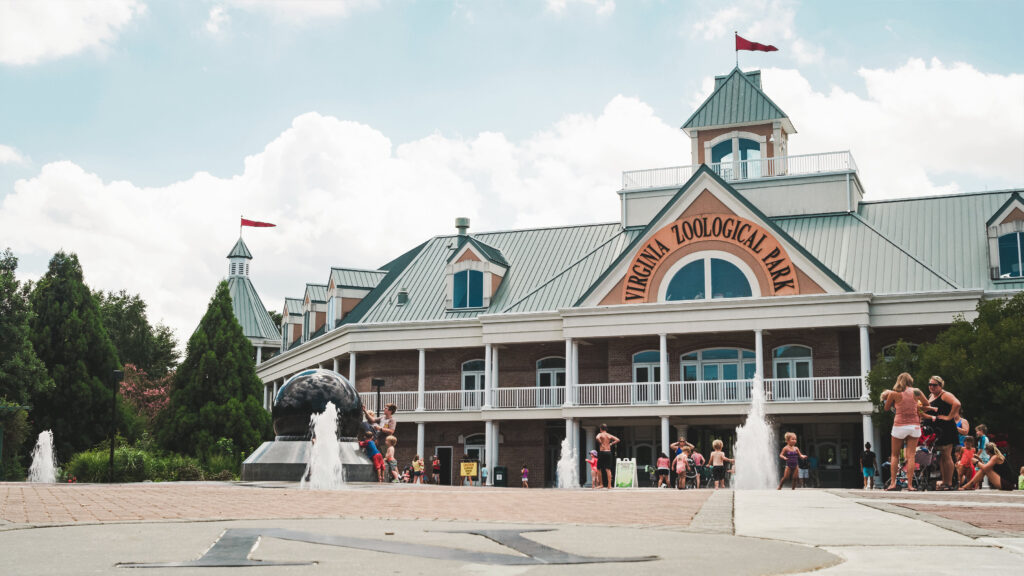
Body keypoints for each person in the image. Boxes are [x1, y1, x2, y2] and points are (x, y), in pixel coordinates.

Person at [882, 372, 932, 491]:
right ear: (910, 380)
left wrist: (895, 403)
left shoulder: (894, 393)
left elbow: (886, 408)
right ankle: (910, 485)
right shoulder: (916, 391)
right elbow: (927, 404)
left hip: (899, 425)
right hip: (914, 425)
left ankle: (893, 483)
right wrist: (917, 408)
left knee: (895, 455)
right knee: (911, 456)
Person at [927, 375, 961, 490]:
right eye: (930, 384)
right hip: (937, 429)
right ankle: (944, 481)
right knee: (941, 456)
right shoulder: (931, 396)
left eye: (934, 385)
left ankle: (949, 482)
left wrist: (949, 417)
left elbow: (957, 403)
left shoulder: (945, 394)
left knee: (947, 455)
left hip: (946, 428)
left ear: (940, 385)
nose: (931, 387)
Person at [595, 424, 620, 489]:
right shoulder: (609, 435)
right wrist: (611, 444)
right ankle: (609, 486)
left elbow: (597, 437)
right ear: (606, 429)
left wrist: (601, 443)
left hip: (602, 452)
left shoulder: (600, 434)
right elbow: (617, 439)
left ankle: (601, 484)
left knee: (599, 468)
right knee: (608, 469)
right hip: (608, 452)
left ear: (600, 429)